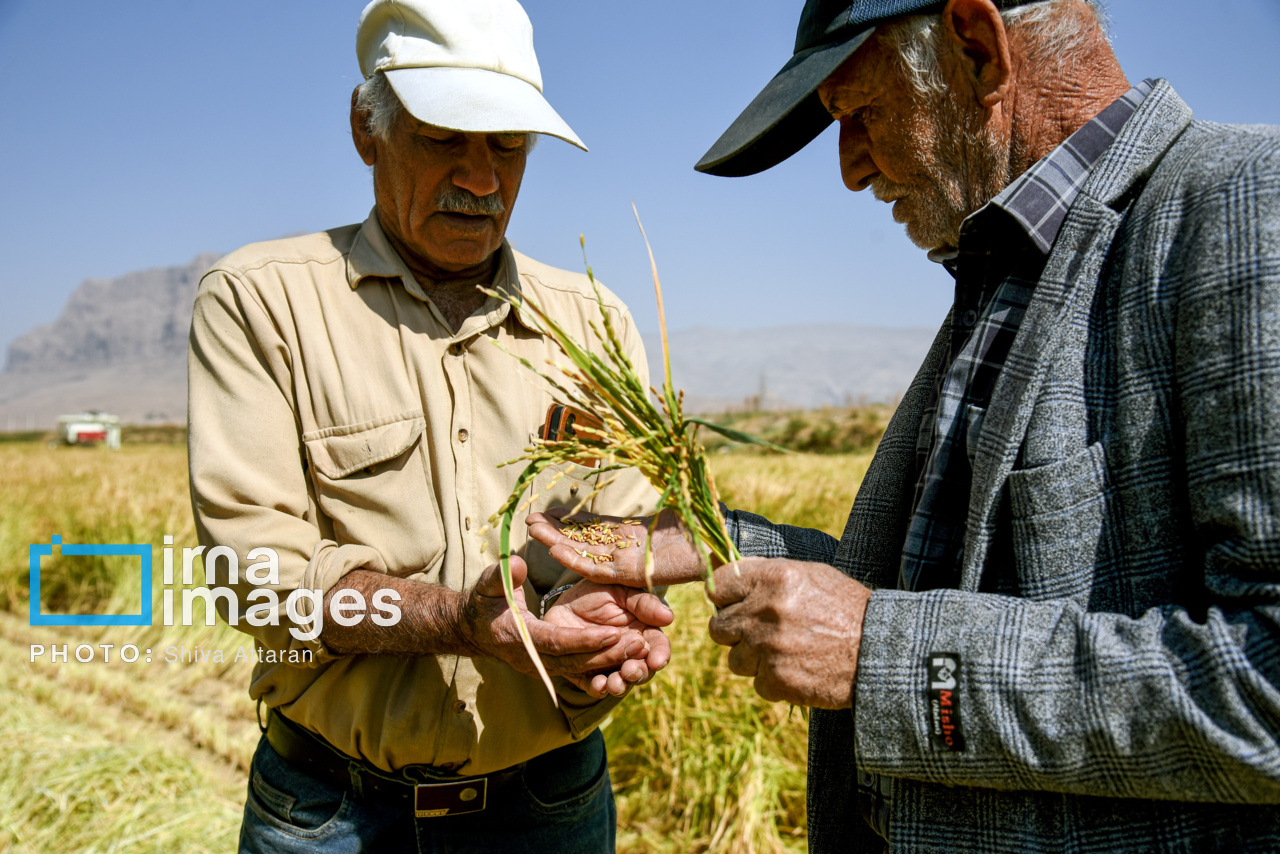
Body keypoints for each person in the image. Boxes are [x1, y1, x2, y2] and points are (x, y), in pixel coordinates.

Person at [528, 0, 1280, 850]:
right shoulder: (1006, 270)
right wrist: (709, 542)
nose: (850, 169)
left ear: (975, 46)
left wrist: (880, 658)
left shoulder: (1244, 210)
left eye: (859, 112)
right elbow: (963, 584)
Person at [187, 1, 669, 850]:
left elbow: (624, 534)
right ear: (366, 129)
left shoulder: (595, 323)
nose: (481, 179)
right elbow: (253, 572)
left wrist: (608, 627)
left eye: (509, 145)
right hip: (332, 814)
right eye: (446, 137)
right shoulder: (262, 301)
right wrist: (460, 621)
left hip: (551, 806)